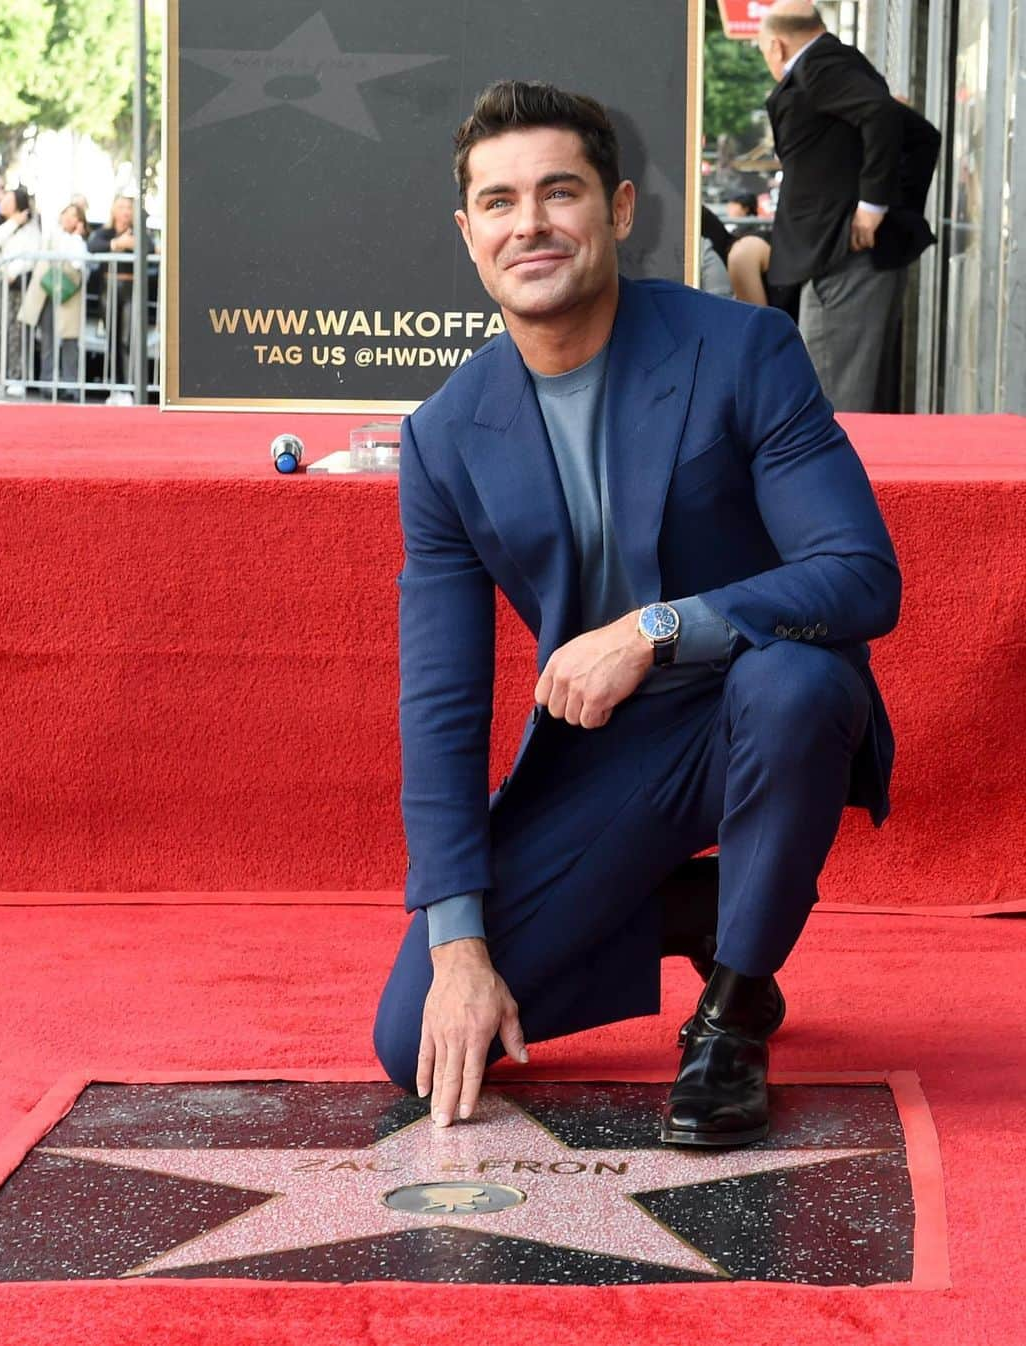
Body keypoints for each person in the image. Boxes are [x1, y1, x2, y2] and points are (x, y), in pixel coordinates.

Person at [372, 80, 901, 1148]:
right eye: (502, 201)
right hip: (609, 752)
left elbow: (858, 575)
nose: (531, 224)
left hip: (764, 697)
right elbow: (440, 701)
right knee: (408, 1039)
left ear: (616, 209)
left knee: (793, 681)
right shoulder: (442, 436)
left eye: (559, 193)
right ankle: (702, 910)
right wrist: (458, 946)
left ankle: (735, 1008)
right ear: (469, 233)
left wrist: (659, 627)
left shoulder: (741, 351)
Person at [758, 1, 940, 412]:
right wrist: (890, 211)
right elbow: (920, 135)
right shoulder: (841, 66)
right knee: (842, 395)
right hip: (842, 255)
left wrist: (874, 208)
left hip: (838, 258)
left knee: (833, 401)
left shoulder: (819, 66)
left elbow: (886, 118)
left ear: (777, 46)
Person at [20, 202, 90, 399]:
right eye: (66, 213)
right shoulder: (50, 234)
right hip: (47, 291)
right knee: (48, 339)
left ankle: (71, 385)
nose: (69, 217)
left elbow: (77, 261)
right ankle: (46, 382)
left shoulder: (79, 241)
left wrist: (76, 236)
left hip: (69, 294)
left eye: (75, 215)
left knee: (69, 340)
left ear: (80, 221)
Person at [0, 185, 41, 390]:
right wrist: (13, 223)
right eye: (3, 200)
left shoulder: (31, 227)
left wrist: (14, 271)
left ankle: (16, 378)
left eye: (9, 201)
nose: (3, 204)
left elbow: (31, 254)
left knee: (17, 332)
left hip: (20, 284)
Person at [87, 195, 137, 402]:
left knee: (127, 339)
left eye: (129, 207)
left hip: (130, 287)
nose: (125, 211)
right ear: (114, 210)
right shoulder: (105, 233)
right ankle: (115, 387)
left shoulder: (138, 233)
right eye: (121, 206)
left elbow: (151, 246)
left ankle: (128, 387)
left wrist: (131, 243)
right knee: (112, 338)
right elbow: (93, 245)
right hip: (109, 287)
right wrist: (118, 244)